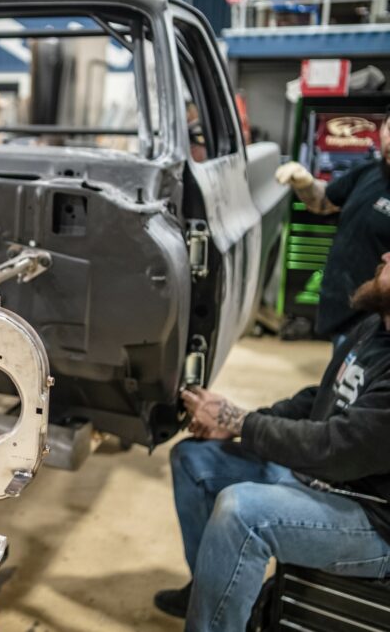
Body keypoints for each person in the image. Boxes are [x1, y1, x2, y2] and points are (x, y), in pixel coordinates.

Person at [153, 255, 390, 631]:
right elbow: (321, 398)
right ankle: (210, 590)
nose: (385, 256)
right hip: (327, 479)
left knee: (243, 514)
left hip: (372, 519)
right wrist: (240, 423)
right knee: (194, 460)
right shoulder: (375, 327)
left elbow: (334, 449)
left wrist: (240, 421)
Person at [275, 109, 390, 343]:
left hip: (376, 323)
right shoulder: (369, 171)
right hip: (341, 308)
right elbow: (324, 201)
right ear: (382, 129)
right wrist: (305, 184)